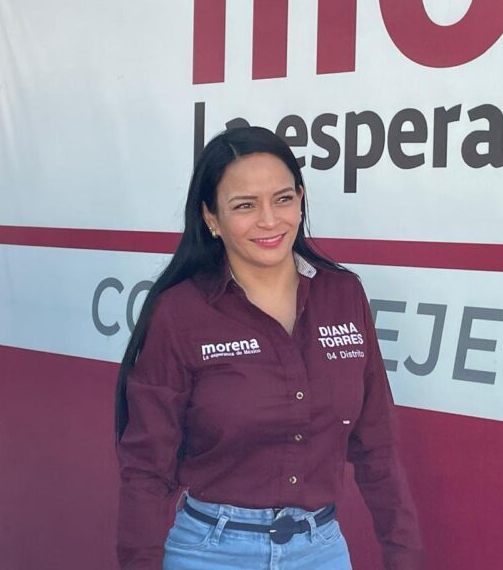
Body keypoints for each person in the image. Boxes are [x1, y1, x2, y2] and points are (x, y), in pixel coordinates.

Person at [114, 126, 422, 569]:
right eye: (245, 205)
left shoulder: (343, 294)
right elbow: (147, 467)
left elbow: (378, 447)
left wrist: (404, 556)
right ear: (211, 218)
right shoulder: (179, 312)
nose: (269, 220)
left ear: (301, 199)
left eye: (282, 199)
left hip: (320, 551)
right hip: (211, 553)